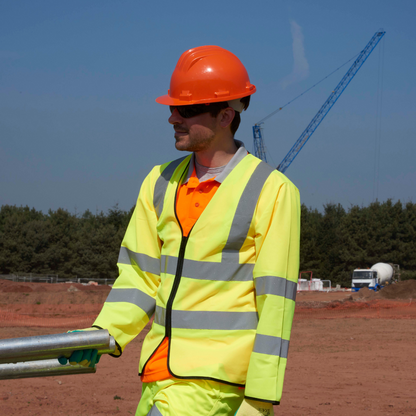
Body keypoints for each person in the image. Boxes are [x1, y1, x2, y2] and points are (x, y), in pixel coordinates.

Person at [64, 45, 300, 416]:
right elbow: (141, 278)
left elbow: (276, 303)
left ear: (225, 116)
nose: (173, 118)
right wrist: (101, 334)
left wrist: (259, 400)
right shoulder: (158, 182)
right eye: (172, 108)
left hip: (217, 384)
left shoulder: (272, 191)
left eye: (186, 110)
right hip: (159, 375)